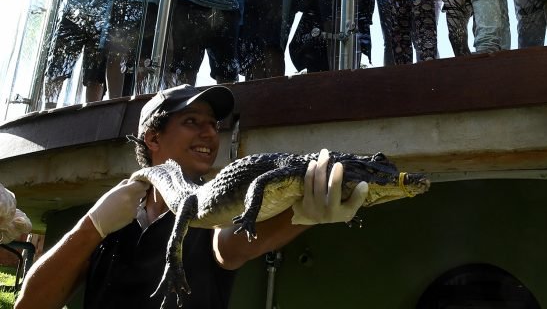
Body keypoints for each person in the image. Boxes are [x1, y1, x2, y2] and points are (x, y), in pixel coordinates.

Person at [15, 84, 368, 309]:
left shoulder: (210, 204)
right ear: (153, 139)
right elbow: (31, 304)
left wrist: (300, 214)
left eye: (214, 124)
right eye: (192, 121)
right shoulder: (114, 219)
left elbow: (230, 246)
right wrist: (91, 227)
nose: (209, 133)